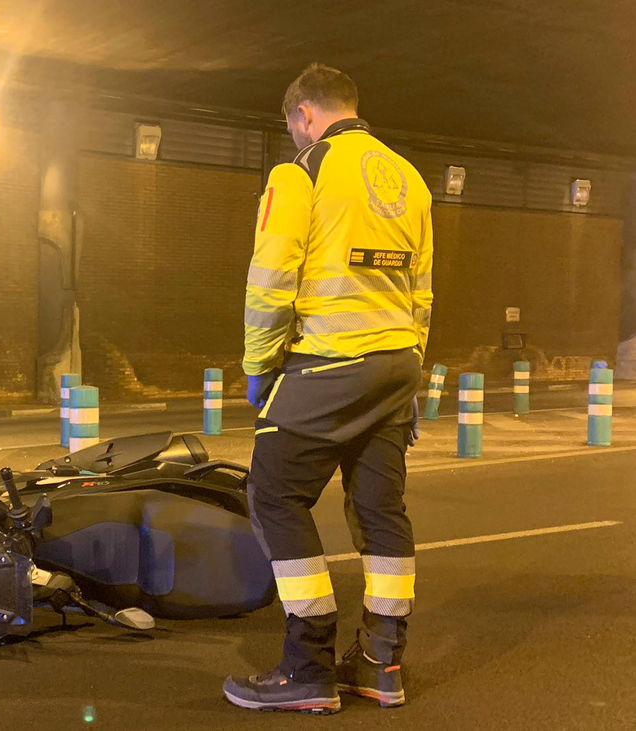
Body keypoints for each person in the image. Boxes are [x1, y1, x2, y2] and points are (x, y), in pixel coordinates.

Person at [221, 63, 433, 715]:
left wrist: (259, 366)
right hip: (396, 364)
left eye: (294, 127)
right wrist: (411, 371)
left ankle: (307, 664)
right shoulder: (409, 177)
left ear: (303, 115)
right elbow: (420, 291)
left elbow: (271, 279)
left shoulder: (302, 172)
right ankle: (380, 661)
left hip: (327, 366)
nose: (294, 138)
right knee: (379, 508)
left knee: (274, 493)